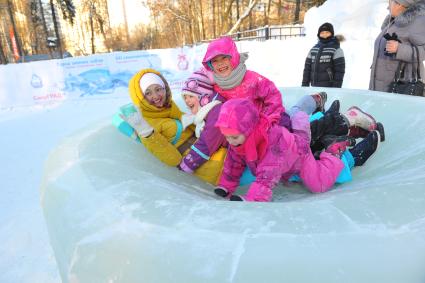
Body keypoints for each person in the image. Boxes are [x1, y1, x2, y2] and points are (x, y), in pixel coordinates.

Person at [214, 98, 354, 202]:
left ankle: (333, 153)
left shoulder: (274, 142)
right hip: (285, 163)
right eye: (226, 136)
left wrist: (253, 199)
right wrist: (225, 187)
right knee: (236, 159)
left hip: (299, 154)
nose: (229, 141)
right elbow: (233, 164)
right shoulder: (238, 141)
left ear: (248, 130)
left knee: (318, 185)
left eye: (233, 137)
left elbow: (268, 174)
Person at [123, 68, 223, 185]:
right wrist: (147, 133)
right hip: (204, 163)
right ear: (141, 97)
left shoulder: (169, 106)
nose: (156, 96)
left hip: (210, 146)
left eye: (158, 89)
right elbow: (174, 160)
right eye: (148, 93)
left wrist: (194, 118)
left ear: (165, 88)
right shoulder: (144, 123)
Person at [202, 36, 287, 126]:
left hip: (262, 122)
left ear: (233, 57)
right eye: (215, 60)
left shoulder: (252, 79)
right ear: (210, 65)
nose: (220, 63)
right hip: (238, 132)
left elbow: (272, 95)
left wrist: (268, 120)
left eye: (224, 57)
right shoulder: (216, 86)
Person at [369, 0, 425, 94]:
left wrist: (399, 49)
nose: (388, 6)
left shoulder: (416, 22)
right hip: (380, 87)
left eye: (390, 2)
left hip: (400, 88)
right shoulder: (393, 23)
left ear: (399, 4)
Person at [302, 22, 346, 88]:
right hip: (314, 88)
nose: (324, 35)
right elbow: (307, 69)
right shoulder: (313, 50)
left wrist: (335, 89)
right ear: (319, 34)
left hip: (329, 88)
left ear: (332, 34)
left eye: (327, 32)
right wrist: (304, 86)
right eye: (322, 33)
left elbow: (339, 72)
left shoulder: (336, 50)